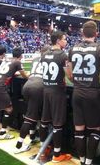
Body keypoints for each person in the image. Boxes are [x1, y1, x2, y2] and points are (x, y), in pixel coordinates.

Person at [68, 21, 100, 165]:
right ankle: (88, 162)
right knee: (94, 129)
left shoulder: (72, 48)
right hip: (92, 94)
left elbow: (69, 75)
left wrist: (78, 82)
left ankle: (81, 160)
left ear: (82, 33)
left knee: (79, 129)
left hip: (76, 93)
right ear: (96, 33)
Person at [39, 30, 72, 163]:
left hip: (46, 90)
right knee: (58, 123)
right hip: (57, 92)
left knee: (44, 121)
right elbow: (70, 75)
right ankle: (57, 155)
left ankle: (43, 150)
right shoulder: (63, 55)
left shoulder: (44, 54)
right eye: (64, 39)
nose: (66, 41)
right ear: (58, 40)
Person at [0, 48, 28, 140]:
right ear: (21, 56)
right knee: (9, 109)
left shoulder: (7, 60)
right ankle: (2, 133)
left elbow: (7, 71)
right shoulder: (17, 62)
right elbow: (24, 75)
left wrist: (14, 73)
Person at [14, 47, 48, 154]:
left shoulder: (35, 59)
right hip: (38, 87)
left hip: (27, 85)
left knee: (32, 113)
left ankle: (33, 136)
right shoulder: (49, 59)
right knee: (32, 117)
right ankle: (20, 144)